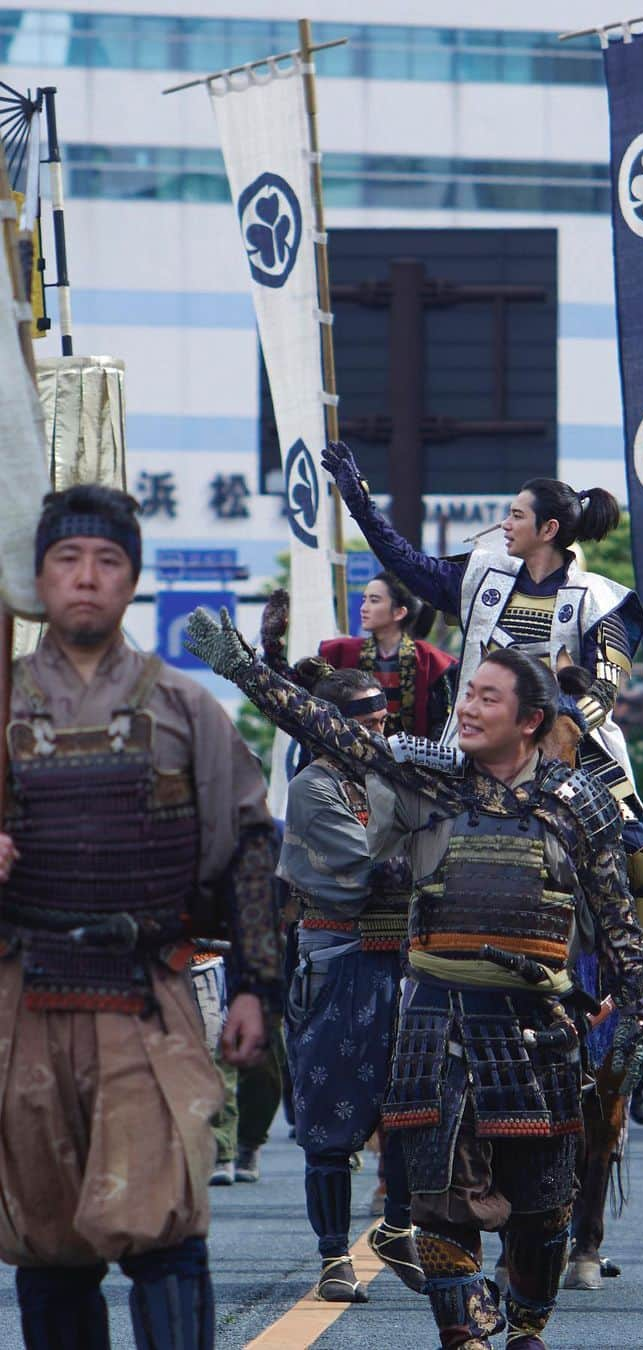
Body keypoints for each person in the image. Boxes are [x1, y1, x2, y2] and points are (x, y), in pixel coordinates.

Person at [184, 612, 643, 1350]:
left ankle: (527, 1325)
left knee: (542, 1211)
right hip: (437, 1017)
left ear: (532, 720)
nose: (466, 708)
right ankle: (463, 1334)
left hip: (538, 1027)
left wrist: (636, 1012)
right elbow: (332, 730)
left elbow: (621, 931)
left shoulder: (582, 805)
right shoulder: (428, 776)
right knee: (440, 1203)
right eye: (466, 693)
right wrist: (247, 669)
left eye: (487, 698)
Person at [320, 447, 643, 1285]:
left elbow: (603, 687)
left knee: (641, 858)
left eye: (515, 514)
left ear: (548, 530)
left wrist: (552, 731)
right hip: (468, 746)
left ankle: (626, 1024)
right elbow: (406, 566)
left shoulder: (608, 602)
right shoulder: (481, 569)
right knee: (394, 837)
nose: (500, 523)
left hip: (571, 757)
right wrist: (361, 502)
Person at [0, 485, 281, 1350]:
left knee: (166, 1228)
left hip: (145, 997)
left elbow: (248, 847)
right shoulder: (4, 703)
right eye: (68, 561)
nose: (86, 578)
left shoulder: (185, 709)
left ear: (132, 583)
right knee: (48, 1243)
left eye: (107, 562)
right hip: (22, 1003)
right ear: (38, 578)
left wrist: (257, 988)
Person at [275, 665, 423, 1302]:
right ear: (327, 727)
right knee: (331, 1111)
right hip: (340, 956)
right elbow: (369, 867)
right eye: (363, 724)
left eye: (383, 720)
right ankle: (334, 1254)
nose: (378, 732)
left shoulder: (394, 773)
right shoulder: (314, 785)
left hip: (410, 961)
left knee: (413, 1104)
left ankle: (397, 1227)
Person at [318, 571, 456, 739]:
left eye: (374, 600)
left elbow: (441, 723)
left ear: (399, 612)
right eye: (364, 600)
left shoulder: (430, 661)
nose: (363, 608)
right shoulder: (340, 652)